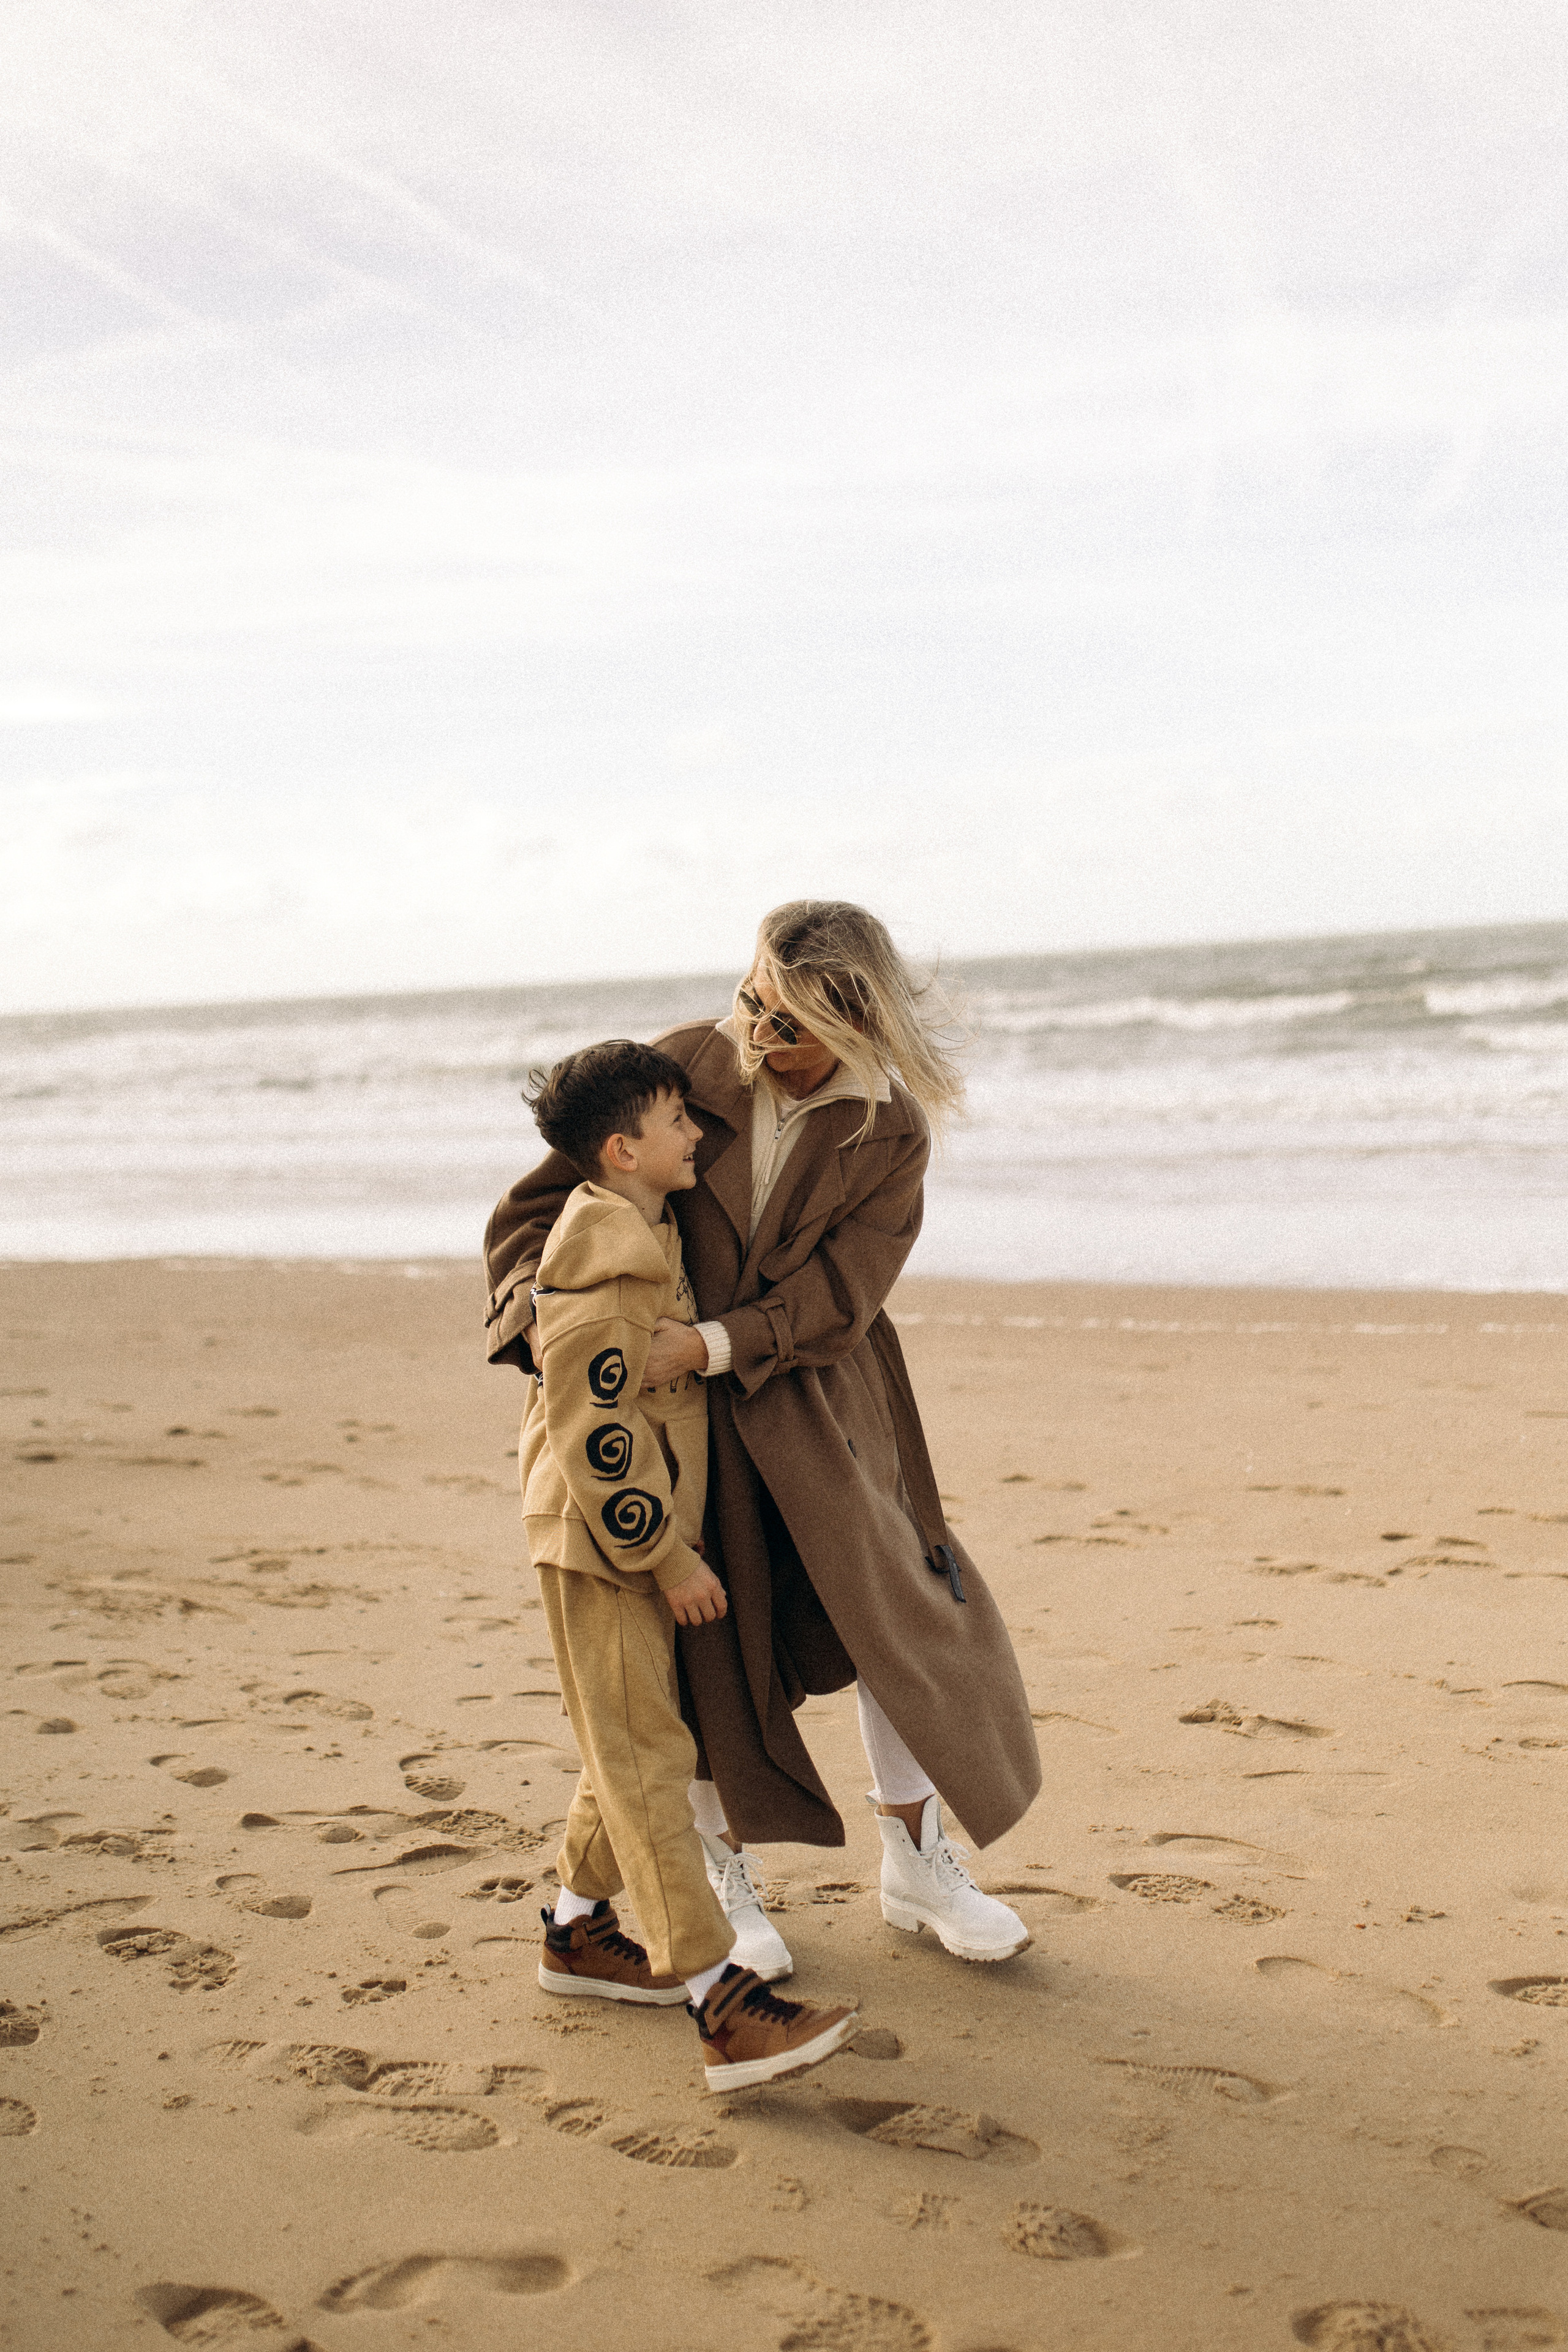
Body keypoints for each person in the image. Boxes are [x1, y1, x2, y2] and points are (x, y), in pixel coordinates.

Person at [486, 902, 1041, 1980]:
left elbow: (847, 1290)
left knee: (893, 1617)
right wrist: (550, 1325)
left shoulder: (893, 1128)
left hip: (819, 1397)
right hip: (680, 1426)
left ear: (853, 1024)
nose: (755, 1033)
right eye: (753, 999)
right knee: (706, 1638)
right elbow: (539, 1210)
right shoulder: (684, 1063)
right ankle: (717, 1873)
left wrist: (710, 1344)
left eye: (785, 1024)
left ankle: (918, 1862)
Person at [516, 1037, 861, 2090]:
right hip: (603, 1547)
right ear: (623, 1149)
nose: (698, 1133)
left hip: (621, 1540)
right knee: (647, 1765)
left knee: (628, 1741)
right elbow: (593, 1433)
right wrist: (665, 1557)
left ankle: (576, 1931)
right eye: (676, 1121)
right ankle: (721, 2006)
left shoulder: (643, 1220)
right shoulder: (605, 1253)